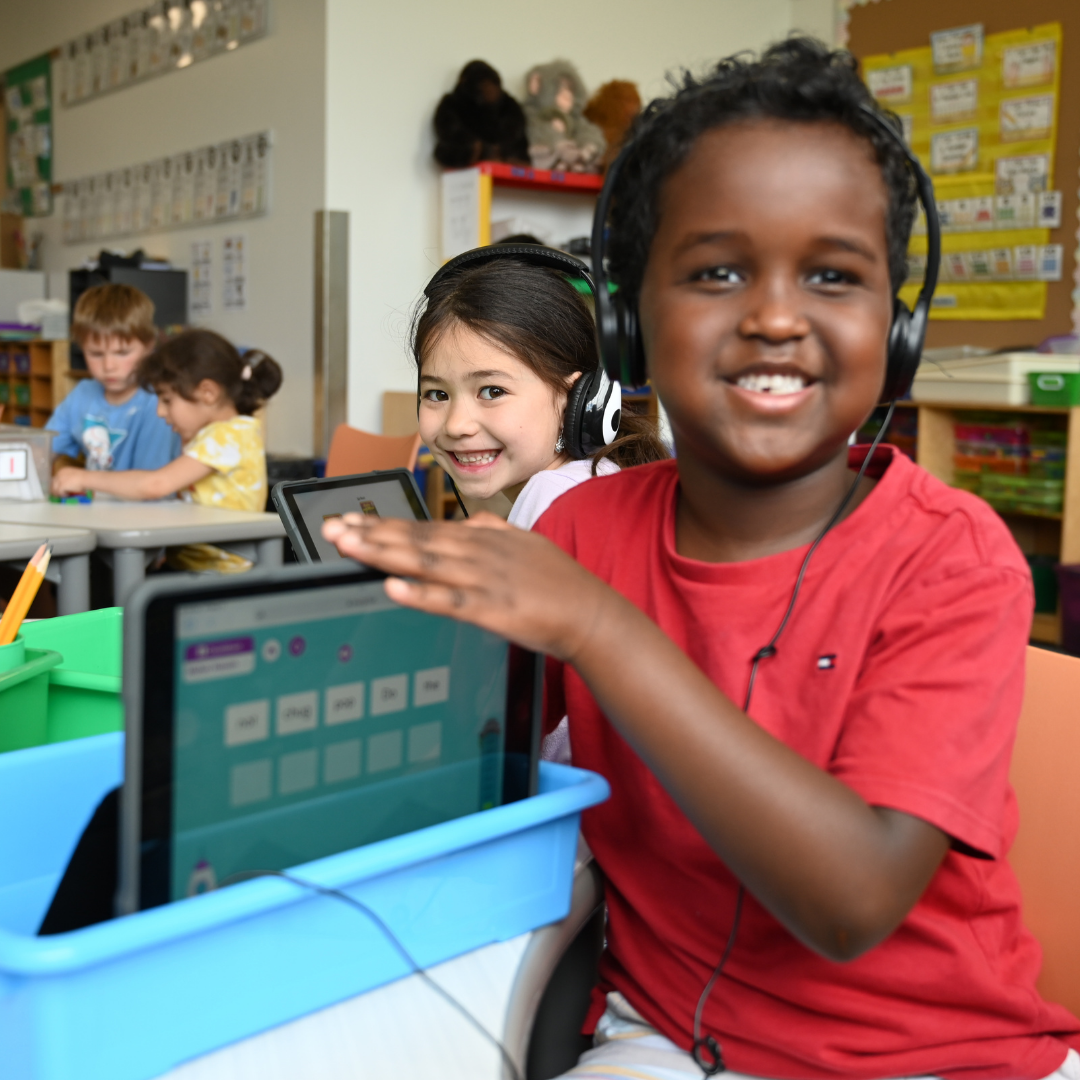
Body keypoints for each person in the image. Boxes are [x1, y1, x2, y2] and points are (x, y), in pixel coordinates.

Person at [323, 39, 1080, 1080]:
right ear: (631, 328)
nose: (774, 315)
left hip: (927, 1054)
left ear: (894, 332)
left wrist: (596, 625)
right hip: (665, 1033)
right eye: (717, 271)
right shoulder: (584, 534)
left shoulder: (952, 560)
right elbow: (469, 770)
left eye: (832, 274)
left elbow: (853, 901)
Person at [414, 253, 667, 531]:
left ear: (575, 399)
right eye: (437, 394)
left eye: (493, 391)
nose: (456, 425)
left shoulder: (553, 495)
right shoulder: (594, 478)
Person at [53, 329, 282, 573]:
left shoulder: (227, 436)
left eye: (167, 400)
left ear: (208, 393)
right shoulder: (221, 433)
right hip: (191, 565)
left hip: (216, 576)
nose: (160, 412)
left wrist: (83, 477)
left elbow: (155, 485)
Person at [47, 283, 179, 474]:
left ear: (149, 346)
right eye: (96, 354)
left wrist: (83, 479)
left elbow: (151, 484)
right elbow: (43, 451)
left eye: (123, 353)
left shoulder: (159, 402)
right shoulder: (82, 394)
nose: (109, 366)